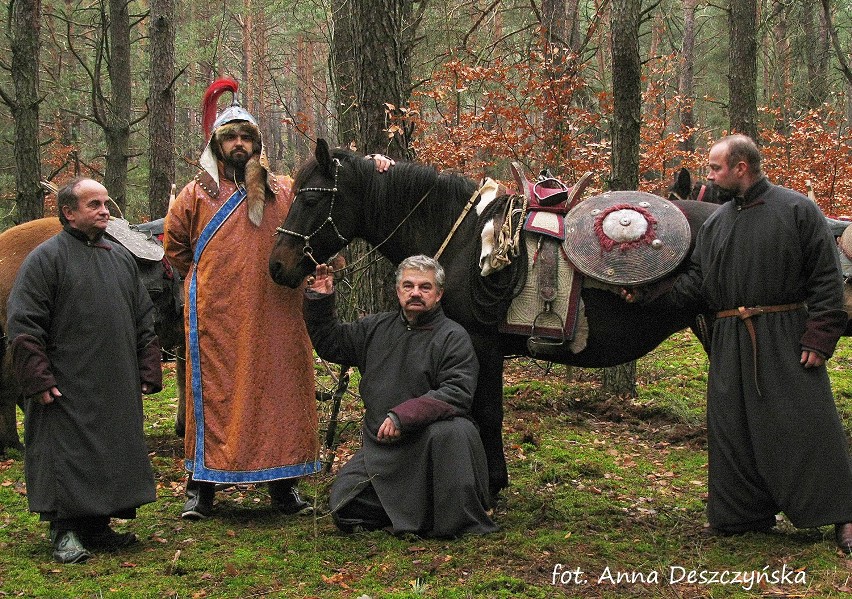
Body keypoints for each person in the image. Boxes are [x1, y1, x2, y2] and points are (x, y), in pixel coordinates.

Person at [164, 79, 394, 519]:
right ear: (216, 143)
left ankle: (282, 487)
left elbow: (329, 204)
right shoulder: (196, 195)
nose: (238, 144)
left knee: (280, 394)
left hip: (278, 313)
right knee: (212, 396)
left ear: (257, 143)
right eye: (230, 136)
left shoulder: (286, 190)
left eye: (246, 137)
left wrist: (375, 164)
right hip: (216, 316)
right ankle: (202, 488)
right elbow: (175, 250)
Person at [626, 134, 852, 553]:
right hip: (730, 338)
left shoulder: (798, 210)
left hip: (785, 333)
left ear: (740, 168)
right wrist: (646, 295)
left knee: (806, 424)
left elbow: (826, 280)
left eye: (715, 168)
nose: (709, 175)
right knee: (733, 425)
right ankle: (741, 514)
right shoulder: (716, 223)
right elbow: (695, 285)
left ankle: (841, 515)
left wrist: (820, 336)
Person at [7, 178, 163, 563]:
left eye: (105, 202)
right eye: (94, 204)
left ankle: (98, 526)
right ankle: (64, 532)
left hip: (114, 379)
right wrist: (38, 378)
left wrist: (147, 367)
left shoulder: (120, 258)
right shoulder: (44, 260)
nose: (105, 210)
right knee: (65, 453)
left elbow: (143, 317)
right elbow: (24, 325)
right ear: (69, 213)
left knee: (109, 451)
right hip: (64, 385)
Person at [304, 255, 498, 538]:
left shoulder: (453, 337)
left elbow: (456, 392)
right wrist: (321, 300)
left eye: (425, 287)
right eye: (408, 286)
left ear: (439, 294)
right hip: (385, 449)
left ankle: (441, 515)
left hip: (433, 446)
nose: (416, 293)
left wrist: (402, 416)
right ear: (398, 291)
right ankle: (422, 513)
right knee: (344, 503)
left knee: (455, 431)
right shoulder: (374, 328)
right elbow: (332, 342)